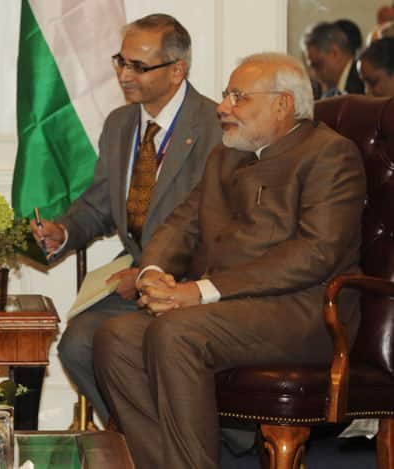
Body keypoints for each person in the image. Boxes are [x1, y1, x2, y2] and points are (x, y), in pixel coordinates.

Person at [93, 52, 366, 469]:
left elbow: (316, 252)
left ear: (283, 104)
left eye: (239, 97)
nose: (222, 107)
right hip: (228, 310)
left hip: (305, 313)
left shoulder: (329, 154)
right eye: (226, 95)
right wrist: (152, 273)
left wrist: (201, 291)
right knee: (117, 338)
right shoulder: (225, 156)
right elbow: (181, 225)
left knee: (177, 332)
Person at [29, 13, 222, 425]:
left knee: (112, 344)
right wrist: (64, 231)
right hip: (134, 280)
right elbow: (101, 205)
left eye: (138, 66)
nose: (123, 75)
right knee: (77, 345)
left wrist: (149, 275)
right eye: (121, 61)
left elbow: (215, 228)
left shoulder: (214, 127)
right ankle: (141, 437)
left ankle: (177, 439)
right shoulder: (120, 124)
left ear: (177, 71)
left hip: (189, 283)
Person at [303, 21, 365, 98]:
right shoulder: (332, 90)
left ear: (334, 53)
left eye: (317, 65)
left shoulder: (363, 80)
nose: (314, 74)